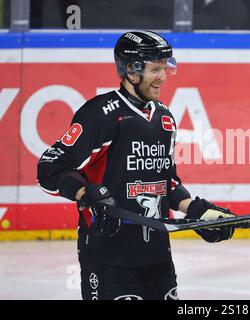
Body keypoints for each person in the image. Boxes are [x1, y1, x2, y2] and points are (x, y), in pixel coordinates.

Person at [37, 30, 235, 300]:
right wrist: (86, 193)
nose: (163, 77)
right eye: (156, 69)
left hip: (158, 259)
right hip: (109, 259)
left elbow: (167, 182)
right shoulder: (99, 114)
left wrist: (198, 212)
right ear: (131, 70)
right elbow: (50, 168)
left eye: (165, 69)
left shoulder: (165, 118)